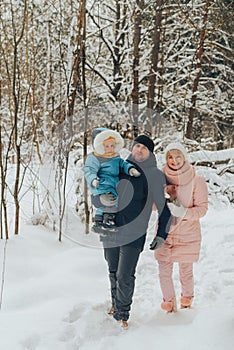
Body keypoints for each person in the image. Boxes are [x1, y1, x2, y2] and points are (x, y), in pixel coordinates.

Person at [101, 134, 172, 329]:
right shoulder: (119, 167)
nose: (139, 150)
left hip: (134, 232)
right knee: (113, 270)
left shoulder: (155, 176)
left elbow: (164, 208)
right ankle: (116, 305)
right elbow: (104, 191)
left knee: (125, 274)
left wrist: (161, 234)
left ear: (150, 153)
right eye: (137, 146)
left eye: (144, 148)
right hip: (111, 228)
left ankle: (122, 314)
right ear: (132, 148)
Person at [154, 142, 208, 313]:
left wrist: (183, 212)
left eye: (178, 156)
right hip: (165, 233)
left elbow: (202, 209)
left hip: (187, 234)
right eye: (170, 156)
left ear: (184, 157)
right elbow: (153, 206)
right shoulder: (160, 178)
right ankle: (169, 304)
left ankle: (187, 302)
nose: (174, 160)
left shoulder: (196, 180)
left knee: (185, 271)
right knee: (163, 271)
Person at [84, 128, 140, 233]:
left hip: (113, 185)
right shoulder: (94, 158)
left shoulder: (115, 157)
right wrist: (93, 180)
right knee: (111, 202)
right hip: (102, 185)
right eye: (107, 146)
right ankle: (107, 221)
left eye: (112, 145)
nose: (110, 149)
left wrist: (130, 169)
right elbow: (89, 171)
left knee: (110, 203)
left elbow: (123, 164)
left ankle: (99, 222)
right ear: (100, 146)